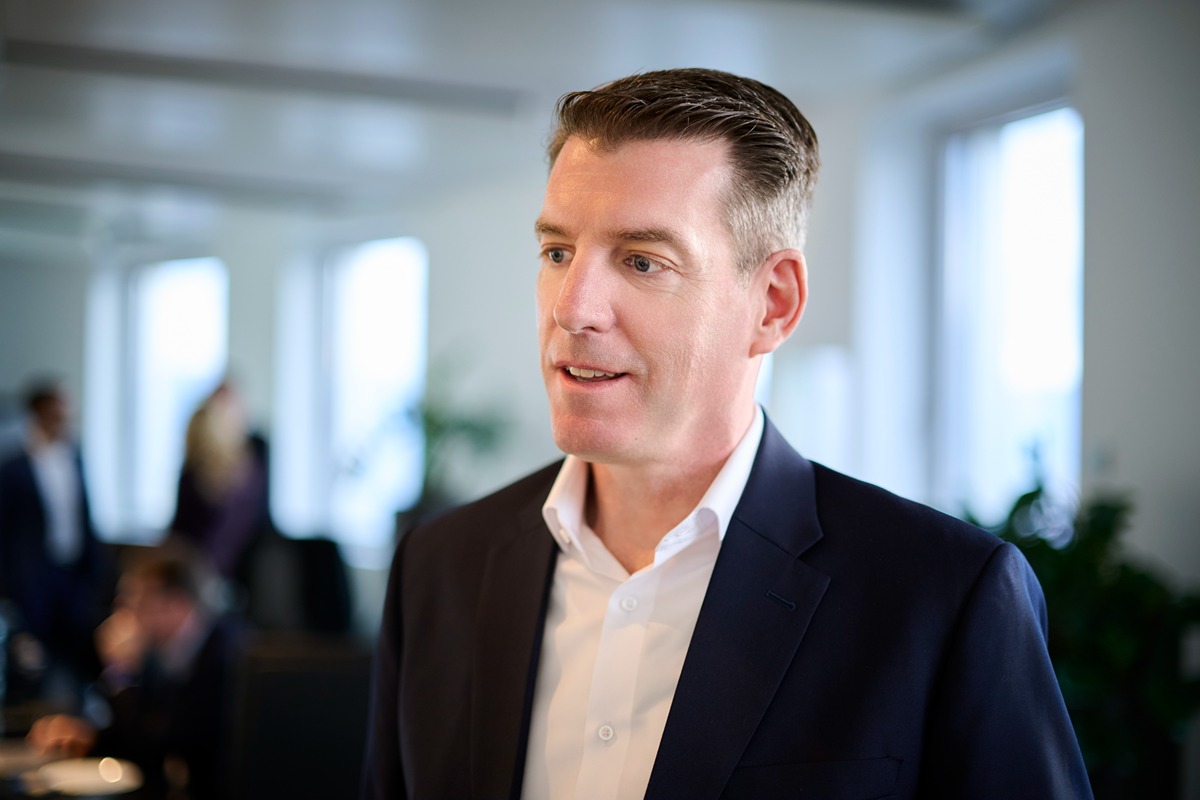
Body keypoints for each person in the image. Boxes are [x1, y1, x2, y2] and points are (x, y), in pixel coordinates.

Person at [363, 68, 1092, 799]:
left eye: (643, 261)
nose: (573, 308)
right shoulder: (440, 567)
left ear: (772, 303)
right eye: (558, 252)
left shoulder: (942, 598)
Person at [27, 543, 244, 800]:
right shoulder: (171, 653)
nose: (124, 614)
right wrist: (88, 737)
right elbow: (139, 735)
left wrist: (121, 673)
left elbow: (157, 745)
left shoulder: (227, 657)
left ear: (175, 605)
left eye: (135, 600)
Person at [0, 379, 110, 694]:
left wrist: (95, 569)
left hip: (72, 571)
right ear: (38, 411)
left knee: (76, 651)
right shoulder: (13, 467)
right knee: (32, 655)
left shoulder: (73, 456)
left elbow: (85, 515)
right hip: (33, 576)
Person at [170, 381, 270, 585]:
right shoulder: (193, 475)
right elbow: (181, 532)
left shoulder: (255, 458)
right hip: (197, 571)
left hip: (233, 571)